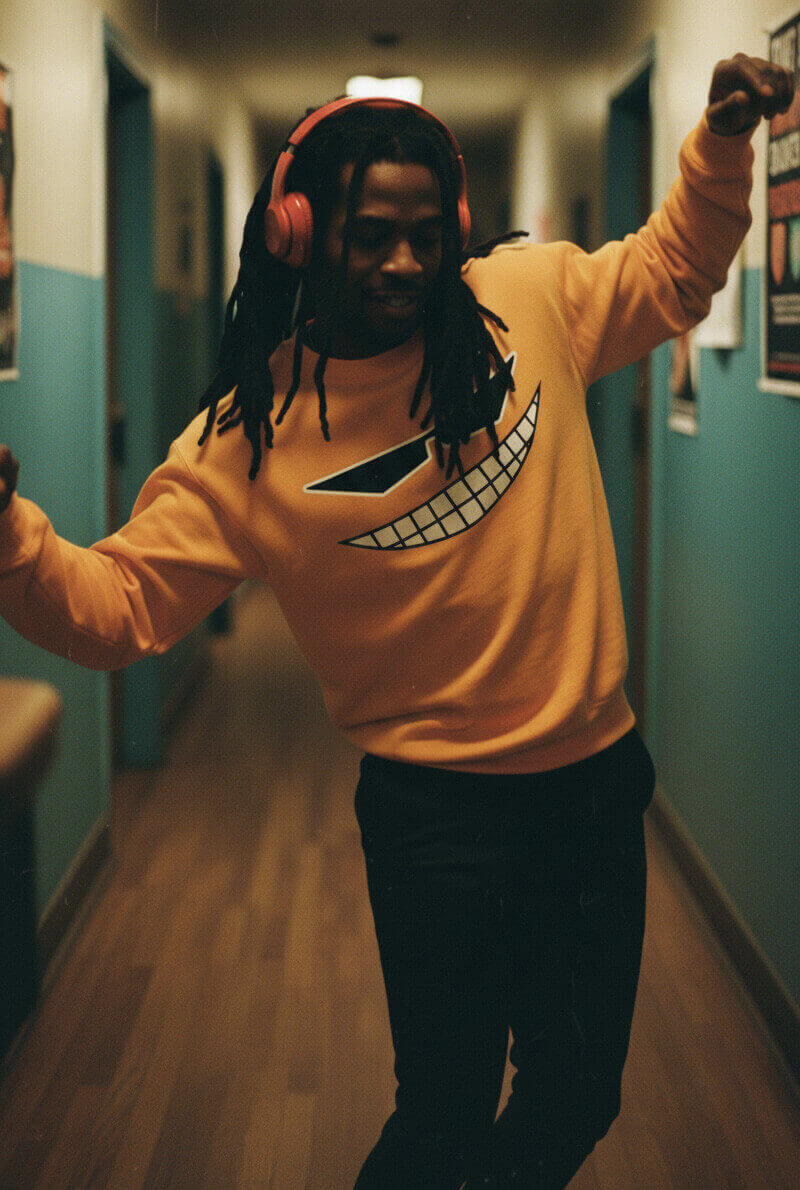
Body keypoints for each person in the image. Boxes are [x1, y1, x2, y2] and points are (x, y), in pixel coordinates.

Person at [0, 53, 792, 1190]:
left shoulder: (527, 301)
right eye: (371, 234)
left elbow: (670, 272)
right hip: (435, 821)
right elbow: (117, 609)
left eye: (427, 233)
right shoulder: (248, 439)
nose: (407, 262)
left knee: (578, 1092)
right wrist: (11, 535)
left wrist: (719, 147)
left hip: (593, 784)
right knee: (442, 1111)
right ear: (297, 231)